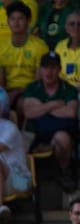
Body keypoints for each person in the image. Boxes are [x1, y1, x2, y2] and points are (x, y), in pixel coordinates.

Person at [22, 52, 78, 184]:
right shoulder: (32, 88)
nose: (49, 72)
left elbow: (71, 112)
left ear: (59, 69)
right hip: (34, 131)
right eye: (45, 67)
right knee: (20, 141)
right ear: (40, 69)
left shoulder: (68, 89)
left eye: (53, 67)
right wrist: (54, 104)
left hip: (59, 131)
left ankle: (64, 172)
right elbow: (29, 112)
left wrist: (40, 107)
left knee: (63, 138)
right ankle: (25, 181)